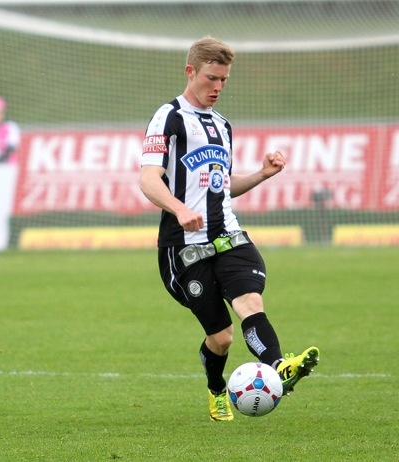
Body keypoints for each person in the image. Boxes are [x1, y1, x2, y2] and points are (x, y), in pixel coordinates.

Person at [139, 37, 320, 421]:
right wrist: (178, 207)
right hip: (184, 246)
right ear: (191, 72)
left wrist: (260, 175)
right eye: (211, 78)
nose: (218, 87)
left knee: (250, 302)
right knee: (221, 337)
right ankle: (216, 388)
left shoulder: (222, 125)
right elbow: (148, 178)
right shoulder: (168, 117)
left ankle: (279, 366)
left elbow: (221, 185)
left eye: (224, 79)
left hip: (228, 235)